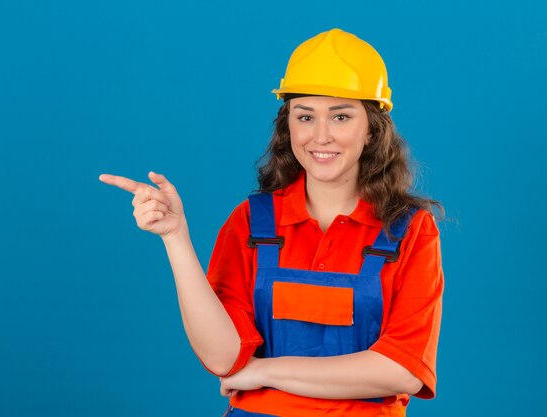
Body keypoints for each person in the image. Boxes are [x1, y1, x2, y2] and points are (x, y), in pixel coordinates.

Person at [99, 28, 444, 417]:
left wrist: (265, 370)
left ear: (371, 131)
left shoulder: (410, 230)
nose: (321, 136)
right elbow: (223, 358)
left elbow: (401, 370)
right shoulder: (253, 222)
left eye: (341, 116)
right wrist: (175, 237)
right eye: (305, 116)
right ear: (289, 126)